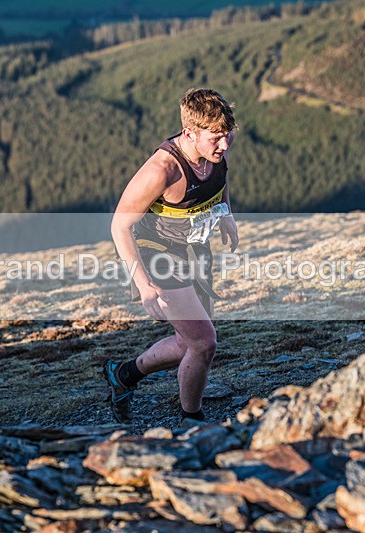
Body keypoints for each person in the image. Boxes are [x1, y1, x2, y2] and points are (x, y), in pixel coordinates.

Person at [106, 88, 239, 425]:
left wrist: (226, 213)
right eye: (216, 139)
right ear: (189, 133)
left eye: (228, 135)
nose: (223, 146)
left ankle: (123, 375)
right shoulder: (161, 171)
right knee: (205, 343)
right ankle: (191, 421)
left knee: (188, 342)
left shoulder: (217, 151)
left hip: (195, 250)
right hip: (158, 256)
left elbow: (218, 180)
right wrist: (144, 285)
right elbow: (119, 226)